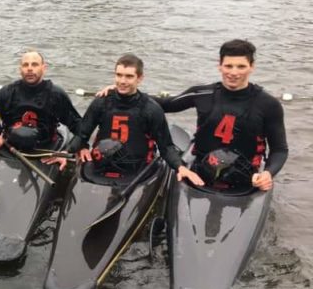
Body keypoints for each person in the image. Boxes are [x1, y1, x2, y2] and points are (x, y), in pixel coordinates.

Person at [154, 39, 287, 191]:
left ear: (252, 67)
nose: (234, 73)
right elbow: (165, 105)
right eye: (228, 66)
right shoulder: (201, 94)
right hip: (200, 172)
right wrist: (131, 91)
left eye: (241, 66)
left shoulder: (269, 104)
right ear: (220, 66)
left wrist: (268, 173)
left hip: (246, 178)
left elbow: (279, 149)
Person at [51, 54, 203, 185]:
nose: (122, 81)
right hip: (102, 164)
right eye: (119, 75)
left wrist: (180, 167)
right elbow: (82, 134)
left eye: (129, 76)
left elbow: (166, 147)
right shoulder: (101, 102)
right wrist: (65, 153)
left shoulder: (151, 109)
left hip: (136, 168)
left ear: (140, 78)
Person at [0, 49, 81, 167]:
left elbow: (78, 127)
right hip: (11, 145)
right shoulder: (6, 92)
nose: (29, 68)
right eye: (25, 65)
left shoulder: (56, 95)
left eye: (34, 64)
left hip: (45, 147)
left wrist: (67, 152)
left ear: (44, 68)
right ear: (20, 69)